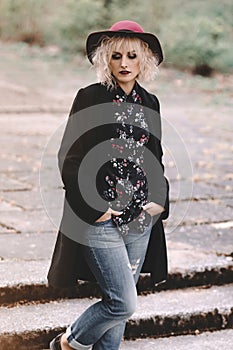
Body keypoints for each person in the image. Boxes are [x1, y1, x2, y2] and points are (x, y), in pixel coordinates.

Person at [48, 20, 169, 350]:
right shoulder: (90, 97)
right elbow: (69, 158)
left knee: (118, 304)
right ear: (106, 60)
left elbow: (155, 159)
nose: (125, 64)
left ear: (144, 60)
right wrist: (96, 208)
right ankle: (69, 342)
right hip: (98, 217)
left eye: (132, 56)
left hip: (140, 220)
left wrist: (160, 200)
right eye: (116, 56)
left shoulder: (150, 102)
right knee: (123, 303)